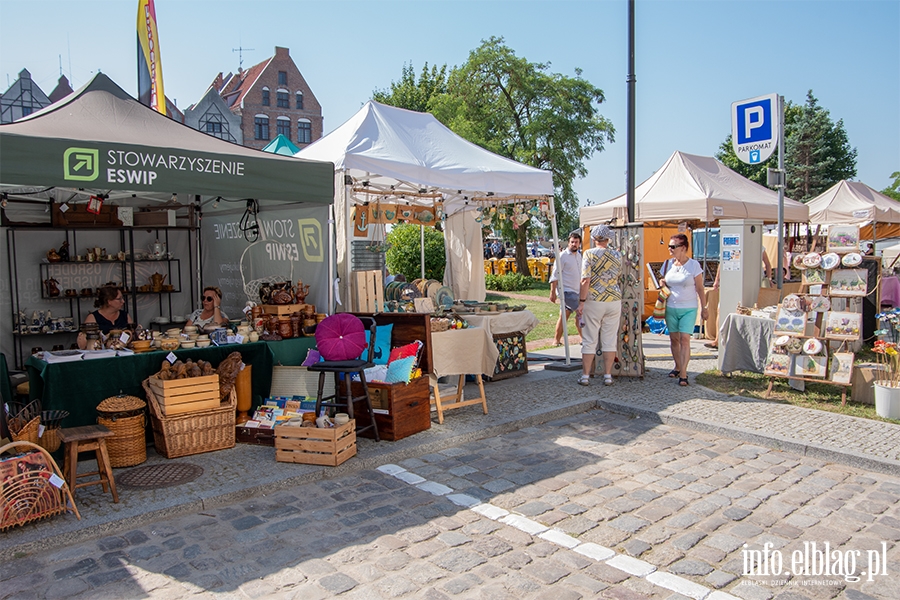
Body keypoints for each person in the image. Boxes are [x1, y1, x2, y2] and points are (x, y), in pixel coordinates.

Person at [575, 225, 622, 387]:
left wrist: (581, 301)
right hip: (614, 299)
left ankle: (586, 376)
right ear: (608, 239)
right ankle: (608, 375)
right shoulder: (617, 255)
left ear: (594, 239)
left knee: (589, 338)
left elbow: (585, 279)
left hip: (595, 299)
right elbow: (618, 276)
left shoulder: (589, 254)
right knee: (610, 339)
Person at [660, 234, 708, 386]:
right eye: (669, 246)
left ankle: (684, 373)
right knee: (674, 338)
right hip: (671, 306)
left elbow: (700, 288)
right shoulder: (668, 264)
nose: (670, 249)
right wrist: (662, 284)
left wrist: (704, 307)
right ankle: (677, 365)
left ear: (683, 248)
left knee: (685, 339)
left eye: (673, 246)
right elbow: (662, 282)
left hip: (688, 307)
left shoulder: (694, 265)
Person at [548, 232, 583, 345]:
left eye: (576, 242)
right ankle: (585, 339)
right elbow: (555, 275)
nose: (574, 244)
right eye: (572, 242)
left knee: (565, 316)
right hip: (567, 291)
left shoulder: (579, 256)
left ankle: (557, 340)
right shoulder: (562, 256)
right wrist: (552, 292)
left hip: (577, 290)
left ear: (579, 244)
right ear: (568, 243)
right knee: (581, 312)